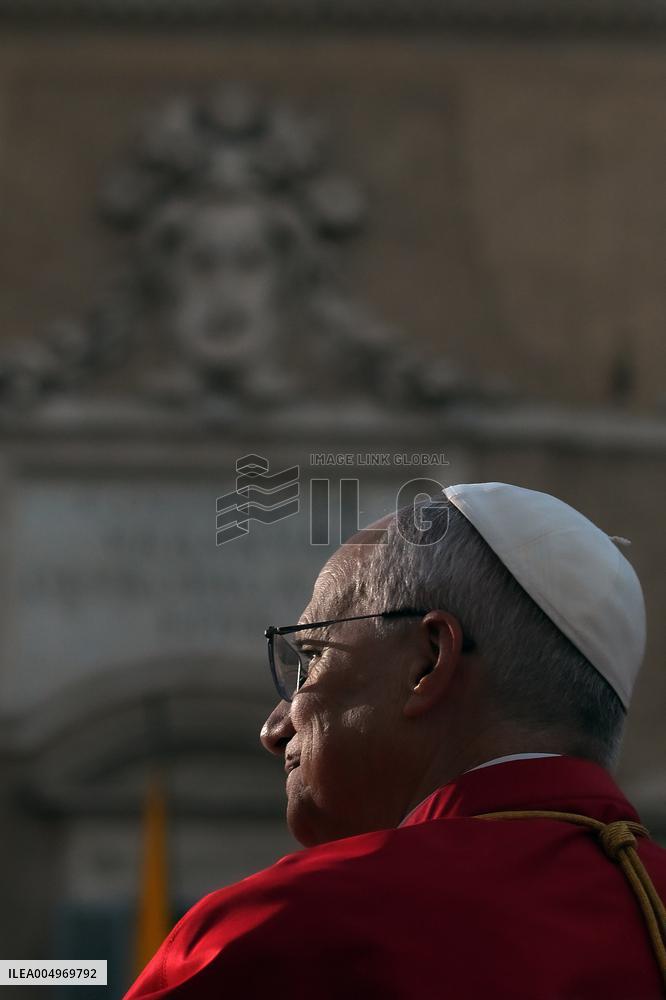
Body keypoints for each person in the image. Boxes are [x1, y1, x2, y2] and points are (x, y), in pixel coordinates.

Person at [125, 481, 666, 999]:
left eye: (311, 659)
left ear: (428, 662)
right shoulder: (649, 906)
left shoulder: (291, 932)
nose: (273, 729)